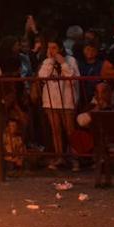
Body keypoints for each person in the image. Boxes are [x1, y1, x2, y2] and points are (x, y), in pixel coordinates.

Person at [37, 40, 79, 170]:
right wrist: (50, 61)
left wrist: (63, 63)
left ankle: (74, 158)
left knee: (70, 131)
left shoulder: (71, 60)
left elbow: (73, 78)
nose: (51, 51)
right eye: (49, 48)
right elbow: (42, 76)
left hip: (67, 101)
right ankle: (59, 157)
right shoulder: (46, 61)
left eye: (54, 48)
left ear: (60, 48)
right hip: (51, 101)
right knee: (56, 131)